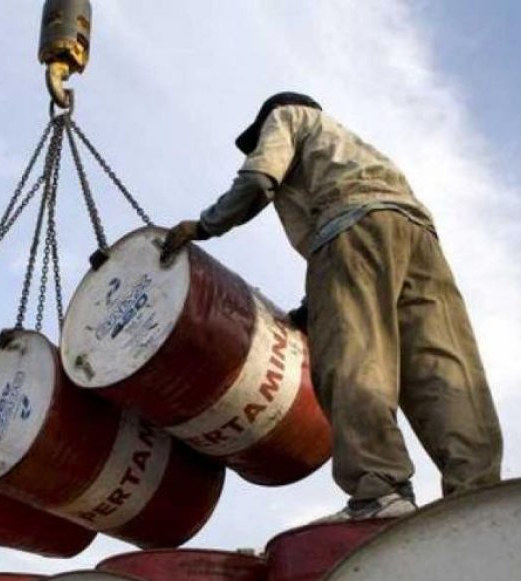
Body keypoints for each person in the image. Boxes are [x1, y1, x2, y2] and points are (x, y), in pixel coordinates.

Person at [161, 92, 503, 521]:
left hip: (349, 226)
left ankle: (379, 490)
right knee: (440, 366)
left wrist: (204, 225)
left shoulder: (287, 116)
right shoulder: (354, 148)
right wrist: (311, 309)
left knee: (354, 359)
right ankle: (480, 494)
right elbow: (372, 257)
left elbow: (258, 179)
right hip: (416, 233)